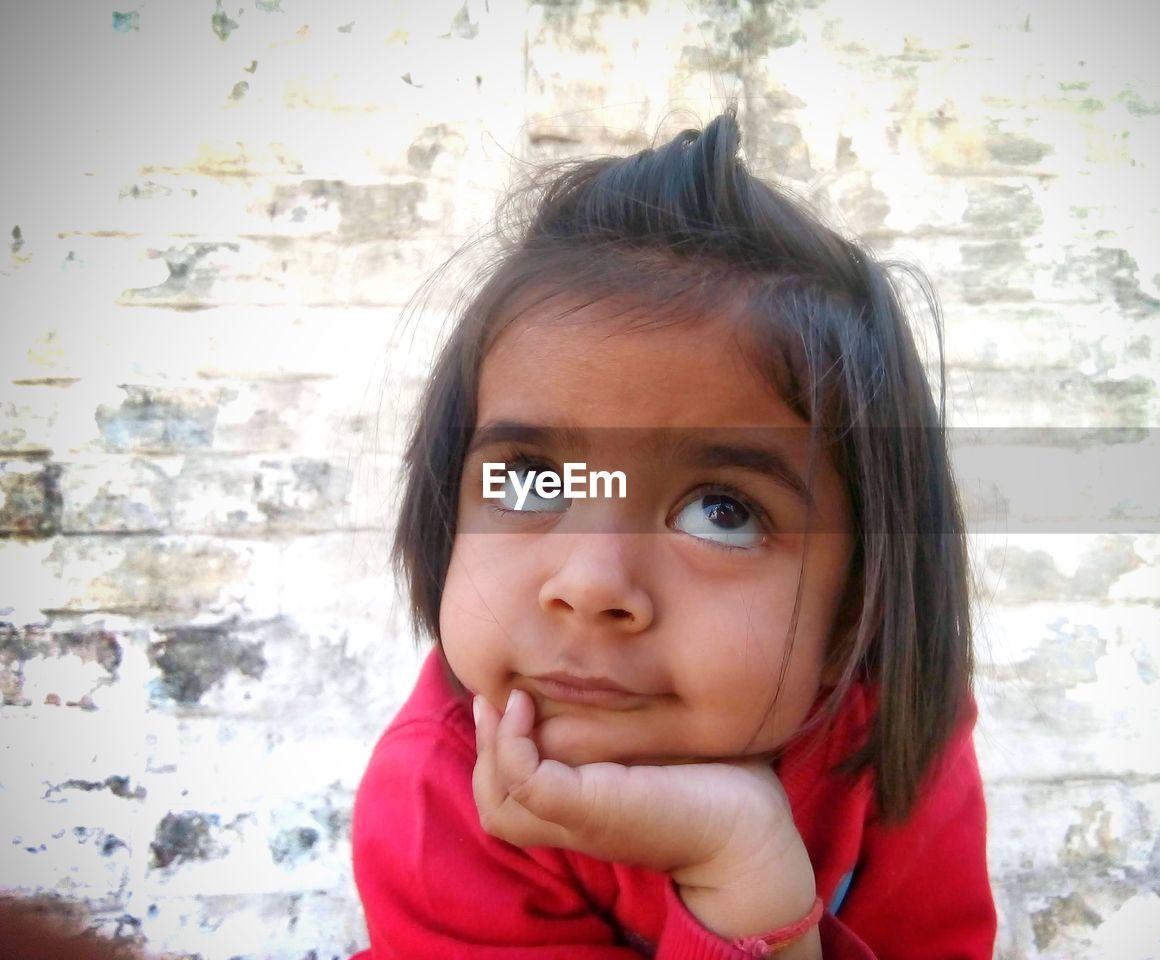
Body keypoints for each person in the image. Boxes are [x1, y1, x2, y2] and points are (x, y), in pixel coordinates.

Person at [350, 107, 996, 959]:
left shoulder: (895, 741)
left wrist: (745, 860)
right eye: (533, 480)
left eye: (721, 511)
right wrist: (747, 875)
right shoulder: (435, 799)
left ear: (856, 616)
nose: (587, 584)